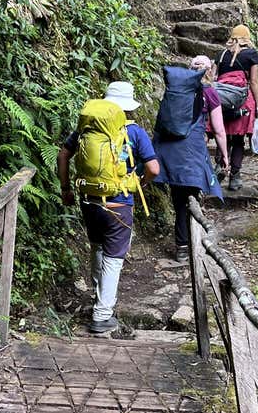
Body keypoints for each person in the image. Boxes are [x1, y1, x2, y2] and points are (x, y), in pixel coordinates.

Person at [57, 81, 159, 334]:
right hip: (118, 202)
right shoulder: (134, 132)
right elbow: (154, 168)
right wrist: (141, 183)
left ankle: (98, 299)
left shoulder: (87, 128)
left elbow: (62, 155)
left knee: (98, 247)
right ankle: (102, 315)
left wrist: (65, 189)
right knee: (114, 257)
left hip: (88, 199)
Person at [152, 59, 228, 263]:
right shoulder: (210, 93)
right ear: (209, 72)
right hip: (191, 152)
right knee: (190, 196)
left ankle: (182, 244)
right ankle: (187, 245)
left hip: (169, 151)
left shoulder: (176, 91)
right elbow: (219, 130)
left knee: (179, 198)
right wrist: (225, 155)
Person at [213, 24, 258, 190]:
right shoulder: (251, 54)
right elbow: (254, 82)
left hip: (220, 101)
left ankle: (220, 165)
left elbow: (213, 78)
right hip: (242, 101)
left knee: (223, 134)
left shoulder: (220, 55)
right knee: (239, 139)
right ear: (246, 38)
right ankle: (235, 176)